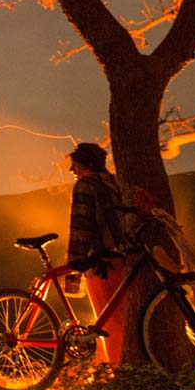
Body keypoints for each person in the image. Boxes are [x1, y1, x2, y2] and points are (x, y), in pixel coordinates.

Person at [64, 141, 130, 365]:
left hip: (99, 261)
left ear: (88, 164)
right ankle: (113, 365)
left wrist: (75, 261)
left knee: (107, 321)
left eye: (76, 165)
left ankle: (116, 369)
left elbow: (81, 224)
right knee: (119, 317)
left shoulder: (85, 185)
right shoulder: (114, 183)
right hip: (121, 257)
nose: (72, 170)